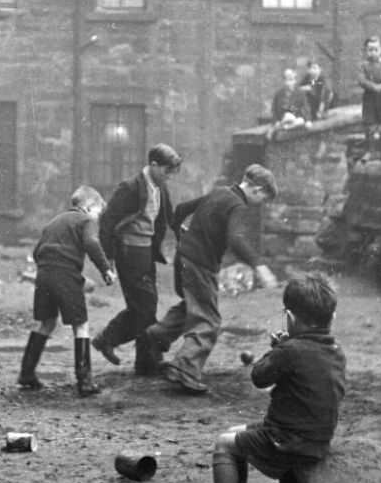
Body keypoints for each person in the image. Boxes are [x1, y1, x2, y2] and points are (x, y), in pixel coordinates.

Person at [181, 272, 346, 483]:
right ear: (331, 318)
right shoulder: (335, 350)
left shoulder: (291, 350)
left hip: (287, 441)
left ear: (291, 319)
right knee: (237, 435)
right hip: (315, 438)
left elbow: (259, 376)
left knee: (224, 444)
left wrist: (277, 350)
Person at [142, 164, 278, 394]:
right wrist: (259, 265)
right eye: (263, 198)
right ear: (256, 189)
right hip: (200, 264)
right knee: (208, 320)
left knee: (192, 306)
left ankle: (156, 335)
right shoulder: (237, 205)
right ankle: (185, 368)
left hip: (183, 256)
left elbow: (182, 209)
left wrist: (179, 232)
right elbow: (235, 238)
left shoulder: (218, 192)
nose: (260, 204)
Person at [92, 143, 182, 375]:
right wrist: (108, 258)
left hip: (146, 252)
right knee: (143, 307)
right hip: (128, 253)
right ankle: (108, 338)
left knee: (145, 306)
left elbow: (170, 217)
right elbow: (108, 221)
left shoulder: (160, 188)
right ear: (153, 165)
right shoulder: (130, 187)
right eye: (166, 171)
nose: (169, 176)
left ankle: (145, 363)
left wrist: (189, 233)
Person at [17, 186, 116, 397]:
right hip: (66, 275)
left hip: (43, 274)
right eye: (98, 211)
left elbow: (36, 251)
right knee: (81, 325)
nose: (98, 217)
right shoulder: (86, 221)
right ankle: (85, 381)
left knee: (47, 322)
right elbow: (91, 242)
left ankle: (26, 373)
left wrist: (49, 268)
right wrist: (105, 268)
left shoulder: (55, 221)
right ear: (88, 207)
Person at [267, 68, 311, 139]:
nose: (289, 83)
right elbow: (274, 110)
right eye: (287, 80)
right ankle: (280, 126)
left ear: (294, 81)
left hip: (295, 119)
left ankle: (284, 127)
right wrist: (276, 121)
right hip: (283, 118)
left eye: (291, 80)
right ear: (284, 81)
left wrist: (308, 120)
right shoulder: (279, 94)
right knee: (288, 116)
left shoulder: (300, 93)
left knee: (301, 120)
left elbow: (306, 107)